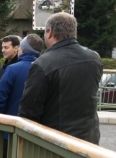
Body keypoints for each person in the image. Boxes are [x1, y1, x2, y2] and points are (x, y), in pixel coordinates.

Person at [19, 12, 103, 144]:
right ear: (74, 32)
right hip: (89, 141)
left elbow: (29, 111)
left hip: (56, 144)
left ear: (50, 32)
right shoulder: (94, 58)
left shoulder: (43, 64)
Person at [0, 35, 20, 111]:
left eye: (6, 47)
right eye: (2, 47)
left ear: (16, 48)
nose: (2, 50)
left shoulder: (17, 69)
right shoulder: (2, 67)